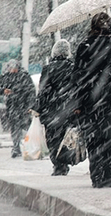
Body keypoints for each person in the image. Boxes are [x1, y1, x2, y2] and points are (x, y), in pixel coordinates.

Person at [73, 12, 111, 188]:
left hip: (90, 102)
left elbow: (78, 77)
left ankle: (97, 177)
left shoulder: (84, 46)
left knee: (94, 140)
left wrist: (78, 104)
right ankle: (110, 177)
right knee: (110, 139)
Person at [31, 39, 75, 176]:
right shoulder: (73, 67)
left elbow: (43, 90)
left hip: (51, 110)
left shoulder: (49, 68)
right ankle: (64, 161)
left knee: (53, 138)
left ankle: (58, 164)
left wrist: (37, 107)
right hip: (67, 109)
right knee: (66, 137)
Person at [0, 59, 36, 158]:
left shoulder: (24, 76)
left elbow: (30, 91)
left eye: (14, 68)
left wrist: (30, 105)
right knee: (15, 127)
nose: (12, 70)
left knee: (27, 126)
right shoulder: (6, 76)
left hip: (23, 105)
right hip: (12, 106)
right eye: (10, 68)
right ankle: (16, 148)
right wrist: (3, 90)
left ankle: (32, 147)